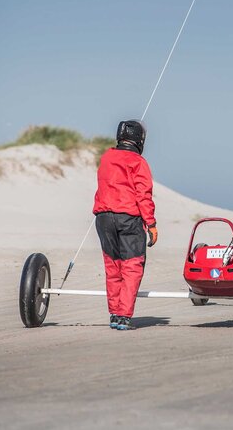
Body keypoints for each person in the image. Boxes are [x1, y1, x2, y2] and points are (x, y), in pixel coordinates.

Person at [92, 120, 157, 331]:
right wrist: (152, 224)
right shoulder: (138, 162)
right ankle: (123, 316)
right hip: (128, 217)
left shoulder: (107, 157)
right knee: (132, 266)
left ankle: (114, 313)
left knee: (113, 266)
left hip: (103, 218)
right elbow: (143, 195)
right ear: (140, 140)